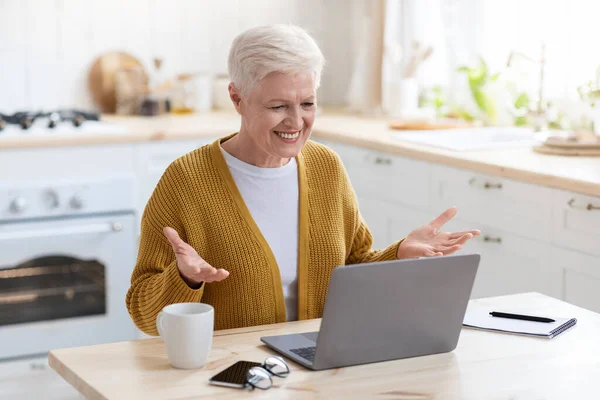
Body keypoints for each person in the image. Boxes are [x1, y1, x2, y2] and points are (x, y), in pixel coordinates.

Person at [126, 24, 480, 335]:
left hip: (320, 367)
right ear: (237, 98)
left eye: (307, 104)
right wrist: (184, 279)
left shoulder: (326, 167)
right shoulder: (187, 180)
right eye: (278, 106)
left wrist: (398, 253)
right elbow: (143, 313)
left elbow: (352, 270)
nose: (295, 122)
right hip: (232, 377)